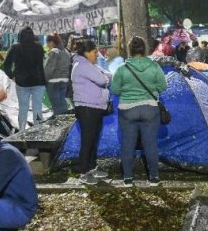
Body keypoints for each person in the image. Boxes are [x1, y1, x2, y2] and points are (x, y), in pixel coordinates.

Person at [111, 36, 167, 187]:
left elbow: (114, 90)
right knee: (150, 145)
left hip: (127, 111)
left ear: (130, 50)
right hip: (150, 109)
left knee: (127, 144)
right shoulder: (154, 67)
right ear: (145, 50)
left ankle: (128, 178)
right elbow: (163, 87)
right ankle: (154, 177)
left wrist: (127, 89)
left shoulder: (122, 69)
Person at [71, 40, 112, 185]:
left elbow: (108, 75)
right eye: (95, 52)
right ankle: (83, 172)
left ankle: (92, 167)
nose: (96, 55)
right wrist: (105, 78)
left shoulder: (89, 65)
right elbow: (103, 79)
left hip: (94, 106)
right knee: (88, 139)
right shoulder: (82, 65)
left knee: (93, 138)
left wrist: (104, 77)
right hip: (87, 107)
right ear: (86, 52)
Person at [2, 27, 46, 131]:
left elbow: (6, 65)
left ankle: (22, 132)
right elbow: (40, 63)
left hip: (22, 82)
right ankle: (39, 131)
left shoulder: (15, 47)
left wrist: (12, 75)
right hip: (38, 81)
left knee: (23, 108)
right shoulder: (39, 47)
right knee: (37, 108)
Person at [44, 34, 71, 116]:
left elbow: (48, 69)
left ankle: (59, 122)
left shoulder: (54, 51)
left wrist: (44, 80)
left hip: (53, 81)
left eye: (47, 42)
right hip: (64, 81)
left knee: (56, 105)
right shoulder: (66, 51)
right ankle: (65, 120)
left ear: (52, 42)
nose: (47, 45)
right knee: (62, 103)